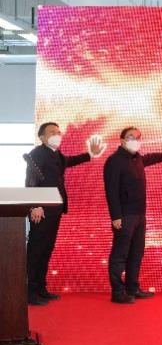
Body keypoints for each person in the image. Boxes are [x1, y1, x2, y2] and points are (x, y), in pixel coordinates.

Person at [24, 122, 105, 306]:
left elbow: (69, 161)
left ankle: (41, 288)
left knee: (46, 250)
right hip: (41, 211)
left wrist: (90, 155)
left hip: (54, 210)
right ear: (42, 137)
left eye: (58, 132)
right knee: (36, 251)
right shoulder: (37, 153)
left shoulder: (56, 154)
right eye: (52, 132)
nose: (57, 134)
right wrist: (34, 205)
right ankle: (30, 292)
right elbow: (30, 180)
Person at [103, 127, 162, 304]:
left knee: (136, 253)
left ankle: (132, 288)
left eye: (138, 137)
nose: (135, 140)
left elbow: (150, 158)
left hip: (139, 214)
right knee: (120, 254)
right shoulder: (114, 161)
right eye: (131, 137)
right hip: (124, 216)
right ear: (122, 140)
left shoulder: (136, 158)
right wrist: (115, 216)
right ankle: (118, 292)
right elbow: (111, 191)